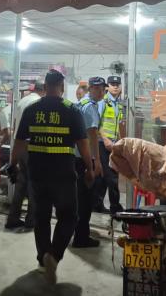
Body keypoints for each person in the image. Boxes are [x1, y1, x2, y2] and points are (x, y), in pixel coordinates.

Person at [9, 69, 96, 285]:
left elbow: (19, 141)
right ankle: (54, 256)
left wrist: (12, 164)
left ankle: (42, 259)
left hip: (37, 173)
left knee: (41, 217)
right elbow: (83, 144)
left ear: (46, 86)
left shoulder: (32, 109)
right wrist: (90, 168)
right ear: (62, 87)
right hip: (63, 174)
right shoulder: (71, 109)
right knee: (69, 217)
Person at [5, 79, 45, 230]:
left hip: (20, 145)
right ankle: (31, 221)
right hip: (32, 146)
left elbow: (16, 124)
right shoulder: (38, 102)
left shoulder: (22, 101)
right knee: (34, 185)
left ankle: (13, 218)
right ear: (44, 90)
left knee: (21, 184)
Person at [73, 76, 105, 248]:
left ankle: (79, 232)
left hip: (76, 157)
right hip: (84, 158)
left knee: (79, 199)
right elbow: (92, 135)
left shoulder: (81, 104)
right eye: (97, 88)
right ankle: (81, 237)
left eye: (102, 89)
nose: (101, 92)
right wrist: (96, 161)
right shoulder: (90, 107)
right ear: (90, 88)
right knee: (85, 200)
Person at [93, 75, 126, 214]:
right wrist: (105, 139)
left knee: (103, 177)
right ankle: (115, 207)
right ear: (107, 87)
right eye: (112, 84)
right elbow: (97, 123)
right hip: (102, 144)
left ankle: (97, 204)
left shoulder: (118, 104)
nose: (115, 87)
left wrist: (120, 141)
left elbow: (117, 126)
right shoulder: (103, 102)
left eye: (117, 84)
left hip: (113, 144)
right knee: (112, 177)